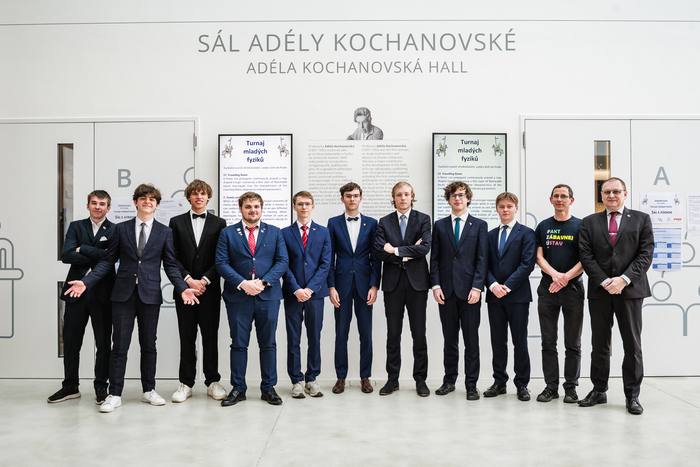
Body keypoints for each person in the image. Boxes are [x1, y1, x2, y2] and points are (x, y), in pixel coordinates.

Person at [64, 183, 200, 413]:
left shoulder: (164, 232)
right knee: (119, 346)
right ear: (135, 202)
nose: (148, 202)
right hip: (122, 295)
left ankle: (149, 390)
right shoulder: (121, 229)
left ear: (156, 205)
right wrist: (86, 282)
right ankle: (115, 394)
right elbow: (107, 261)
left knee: (149, 345)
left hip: (150, 295)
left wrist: (182, 288)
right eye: (143, 198)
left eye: (152, 199)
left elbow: (170, 265)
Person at [578, 177, 654, 415]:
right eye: (607, 192)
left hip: (630, 290)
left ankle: (632, 396)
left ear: (625, 194)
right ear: (601, 195)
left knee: (632, 344)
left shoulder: (641, 219)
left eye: (616, 191)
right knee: (599, 343)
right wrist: (604, 281)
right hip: (600, 291)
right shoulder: (589, 222)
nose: (611, 195)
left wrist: (623, 279)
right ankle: (599, 390)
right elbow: (585, 255)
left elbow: (645, 253)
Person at [215, 192, 289, 407]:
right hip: (238, 297)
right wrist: (243, 283)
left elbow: (282, 261)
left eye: (256, 206)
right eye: (248, 206)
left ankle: (268, 388)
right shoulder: (227, 233)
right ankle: (238, 388)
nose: (252, 210)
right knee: (239, 344)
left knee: (268, 344)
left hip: (268, 297)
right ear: (241, 209)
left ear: (261, 208)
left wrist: (263, 283)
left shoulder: (274, 232)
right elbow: (221, 263)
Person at [48, 190, 115, 405]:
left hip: (103, 293)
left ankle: (101, 387)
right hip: (75, 293)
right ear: (88, 206)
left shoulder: (115, 230)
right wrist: (98, 255)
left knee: (103, 343)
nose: (97, 207)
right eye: (94, 203)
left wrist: (83, 248)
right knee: (71, 341)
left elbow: (111, 258)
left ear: (108, 208)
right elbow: (66, 255)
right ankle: (70, 386)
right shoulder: (76, 227)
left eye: (102, 204)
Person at [169, 180, 227, 403]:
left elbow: (221, 257)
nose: (199, 197)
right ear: (189, 197)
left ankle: (212, 381)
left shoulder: (220, 223)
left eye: (202, 193)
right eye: (194, 194)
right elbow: (172, 256)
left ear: (208, 197)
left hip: (209, 290)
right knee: (186, 337)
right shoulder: (176, 222)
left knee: (210, 337)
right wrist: (188, 280)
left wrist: (204, 280)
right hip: (184, 291)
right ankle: (186, 383)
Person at [430, 182, 488, 400]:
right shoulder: (440, 225)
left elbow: (482, 259)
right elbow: (435, 259)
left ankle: (471, 384)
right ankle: (449, 381)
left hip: (470, 292)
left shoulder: (479, 225)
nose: (457, 198)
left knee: (471, 341)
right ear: (448, 199)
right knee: (450, 340)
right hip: (446, 292)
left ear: (468, 198)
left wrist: (477, 287)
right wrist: (436, 286)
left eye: (461, 195)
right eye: (453, 195)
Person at [374, 181, 431, 397]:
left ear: (412, 196)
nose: (403, 198)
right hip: (393, 284)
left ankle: (420, 379)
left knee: (419, 334)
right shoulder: (384, 222)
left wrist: (395, 250)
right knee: (393, 334)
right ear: (394, 197)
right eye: (399, 194)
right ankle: (392, 379)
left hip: (417, 284)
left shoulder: (423, 219)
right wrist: (410, 251)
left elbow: (424, 248)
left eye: (407, 194)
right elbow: (380, 252)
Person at [327, 182, 381, 394]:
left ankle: (365, 377)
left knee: (366, 334)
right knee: (341, 333)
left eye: (356, 195)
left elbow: (376, 257)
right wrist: (331, 286)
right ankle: (340, 377)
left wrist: (374, 285)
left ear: (360, 198)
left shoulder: (372, 223)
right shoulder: (333, 223)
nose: (352, 199)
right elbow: (329, 258)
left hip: (365, 285)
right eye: (348, 196)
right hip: (341, 285)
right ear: (342, 199)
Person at [534, 184, 584, 404]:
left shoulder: (581, 226)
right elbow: (539, 256)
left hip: (573, 290)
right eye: (556, 196)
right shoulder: (544, 226)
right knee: (548, 342)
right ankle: (551, 387)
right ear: (551, 199)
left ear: (571, 200)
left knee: (573, 343)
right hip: (548, 290)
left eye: (564, 196)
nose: (560, 199)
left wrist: (565, 278)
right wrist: (555, 275)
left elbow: (585, 258)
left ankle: (571, 388)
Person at [484, 192, 537, 402]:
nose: (505, 210)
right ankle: (499, 382)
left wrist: (507, 286)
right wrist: (493, 285)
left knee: (519, 341)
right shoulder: (489, 235)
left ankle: (522, 384)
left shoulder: (527, 233)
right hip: (494, 296)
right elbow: (484, 264)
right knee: (498, 341)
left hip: (518, 296)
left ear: (516, 208)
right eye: (502, 206)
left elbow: (527, 264)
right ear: (497, 209)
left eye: (509, 206)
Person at [281, 191, 332, 398]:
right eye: (300, 204)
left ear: (313, 206)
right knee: (293, 338)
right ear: (294, 206)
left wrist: (310, 289)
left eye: (307, 204)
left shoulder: (324, 232)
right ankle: (296, 380)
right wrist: (296, 289)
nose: (304, 207)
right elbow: (283, 263)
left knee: (315, 337)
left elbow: (326, 264)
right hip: (292, 294)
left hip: (315, 295)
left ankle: (312, 378)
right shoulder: (284, 233)